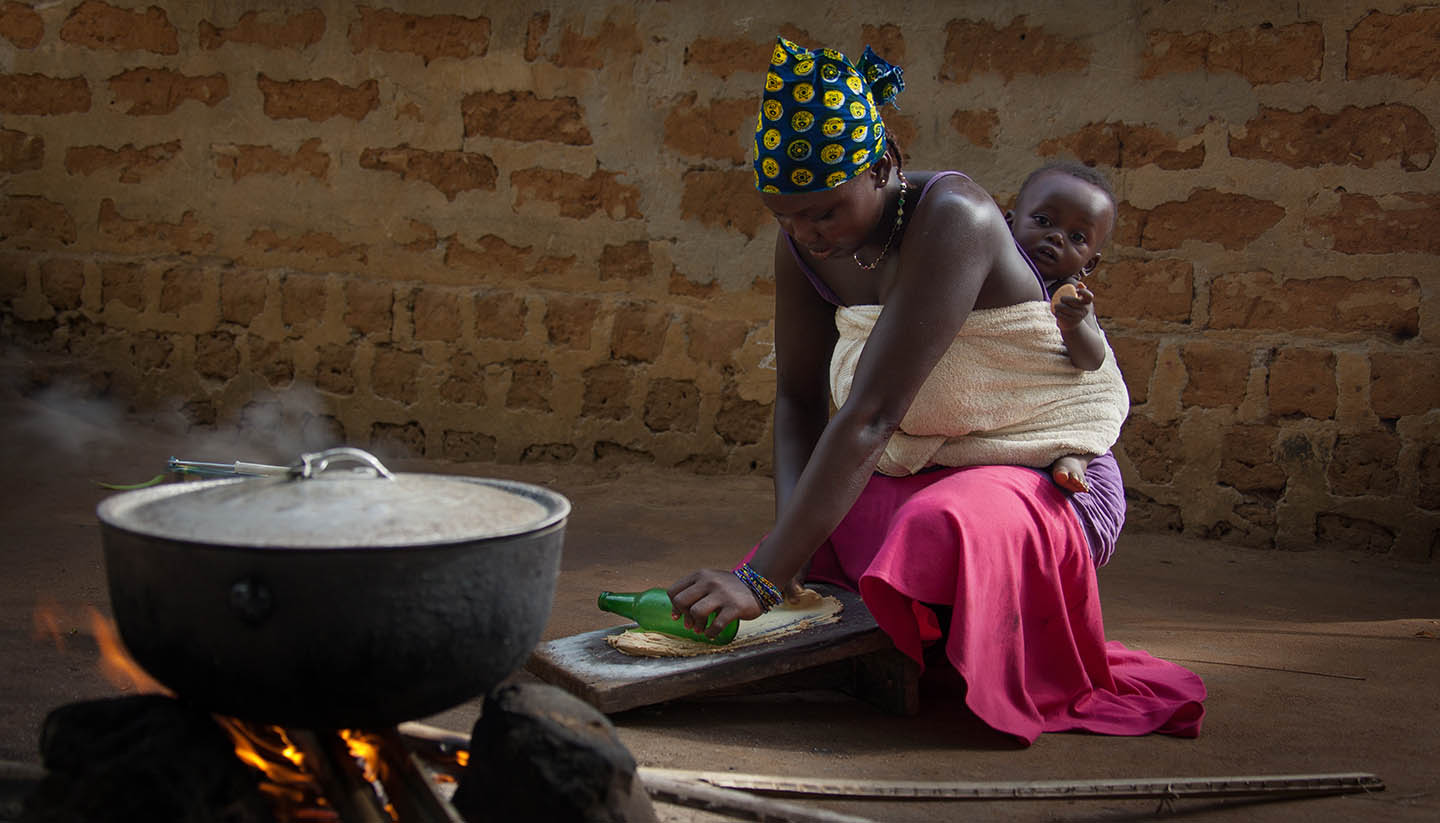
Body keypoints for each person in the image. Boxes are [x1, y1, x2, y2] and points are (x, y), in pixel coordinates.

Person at [668, 36, 1204, 744]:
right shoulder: (802, 240)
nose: (806, 234)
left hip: (1049, 473)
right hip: (930, 459)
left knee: (934, 527)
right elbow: (798, 399)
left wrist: (764, 579)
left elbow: (872, 416)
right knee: (826, 525)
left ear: (883, 164)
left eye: (824, 211)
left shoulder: (955, 217)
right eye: (785, 216)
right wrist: (787, 563)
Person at [1006, 162, 1118, 495]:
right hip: (1007, 392)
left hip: (1051, 402)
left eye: (1077, 237)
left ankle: (1074, 459)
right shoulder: (991, 272)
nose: (1056, 237)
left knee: (1095, 416)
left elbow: (1092, 361)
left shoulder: (1071, 296)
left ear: (1090, 264)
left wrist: (1073, 325)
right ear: (1007, 224)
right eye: (1043, 221)